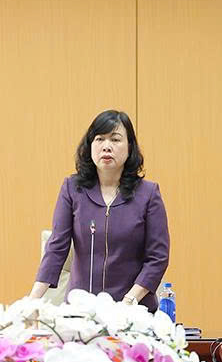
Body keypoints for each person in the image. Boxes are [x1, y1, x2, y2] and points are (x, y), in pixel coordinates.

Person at [30, 110, 170, 311]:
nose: (106, 146)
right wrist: (31, 302)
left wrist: (129, 301)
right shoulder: (72, 189)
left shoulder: (148, 194)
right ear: (90, 146)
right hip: (81, 311)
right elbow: (56, 248)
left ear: (130, 147)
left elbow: (158, 257)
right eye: (99, 139)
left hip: (133, 311)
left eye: (115, 139)